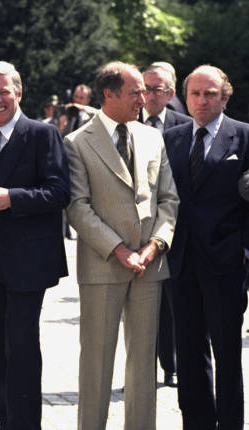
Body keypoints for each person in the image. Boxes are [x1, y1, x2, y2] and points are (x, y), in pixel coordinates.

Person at [65, 61, 179, 430]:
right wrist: (118, 249)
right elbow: (77, 207)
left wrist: (155, 245)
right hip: (103, 266)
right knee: (96, 362)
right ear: (109, 94)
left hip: (150, 265)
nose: (144, 99)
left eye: (145, 92)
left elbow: (168, 199)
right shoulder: (77, 142)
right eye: (135, 92)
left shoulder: (152, 137)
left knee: (143, 362)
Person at [0, 61, 70, 430]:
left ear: (19, 93)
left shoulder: (42, 135)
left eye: (3, 92)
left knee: (21, 345)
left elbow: (59, 192)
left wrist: (12, 197)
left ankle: (25, 424)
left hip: (28, 262)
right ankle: (4, 420)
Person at [164, 64, 249, 430]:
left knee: (227, 353)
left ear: (225, 97)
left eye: (210, 93)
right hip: (181, 263)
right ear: (186, 97)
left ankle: (230, 423)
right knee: (188, 353)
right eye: (195, 93)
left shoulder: (244, 137)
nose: (201, 100)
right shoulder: (172, 138)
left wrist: (243, 250)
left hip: (226, 264)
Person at [139, 63, 191, 388]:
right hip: (138, 228)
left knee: (173, 303)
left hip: (176, 227)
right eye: (145, 88)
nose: (149, 95)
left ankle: (171, 366)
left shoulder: (184, 125)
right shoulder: (126, 125)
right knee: (143, 308)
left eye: (157, 89)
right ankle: (142, 369)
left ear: (170, 94)